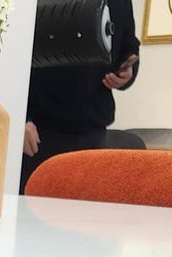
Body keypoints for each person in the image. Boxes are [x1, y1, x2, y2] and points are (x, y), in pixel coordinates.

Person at [20, 0, 140, 193]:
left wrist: (127, 72)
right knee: (32, 208)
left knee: (83, 208)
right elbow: (14, 49)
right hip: (39, 131)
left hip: (92, 129)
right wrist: (22, 117)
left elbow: (129, 47)